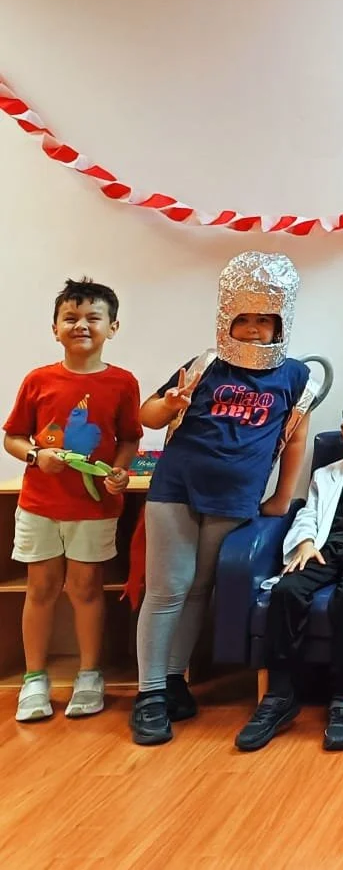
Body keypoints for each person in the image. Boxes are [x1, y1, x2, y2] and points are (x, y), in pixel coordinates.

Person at [132, 252, 312, 746]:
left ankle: (172, 679)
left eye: (264, 320)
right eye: (244, 319)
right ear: (228, 319)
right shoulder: (205, 364)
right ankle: (148, 695)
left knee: (199, 588)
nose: (252, 330)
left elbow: (295, 438)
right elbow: (146, 416)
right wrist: (168, 404)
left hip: (236, 497)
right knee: (168, 587)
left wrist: (282, 496)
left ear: (280, 322)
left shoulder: (294, 375)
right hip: (177, 486)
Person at [234, 387, 343, 752]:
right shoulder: (326, 474)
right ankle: (279, 696)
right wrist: (305, 543)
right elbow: (309, 512)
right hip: (325, 549)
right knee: (286, 591)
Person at [5, 278, 140, 722]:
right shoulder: (38, 379)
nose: (81, 325)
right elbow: (13, 438)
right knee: (40, 589)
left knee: (85, 589)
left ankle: (89, 674)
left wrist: (120, 472)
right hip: (39, 505)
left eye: (92, 317)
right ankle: (34, 678)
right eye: (71, 318)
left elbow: (129, 440)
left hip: (95, 508)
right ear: (55, 328)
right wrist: (37, 455)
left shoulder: (123, 382)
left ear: (113, 327)